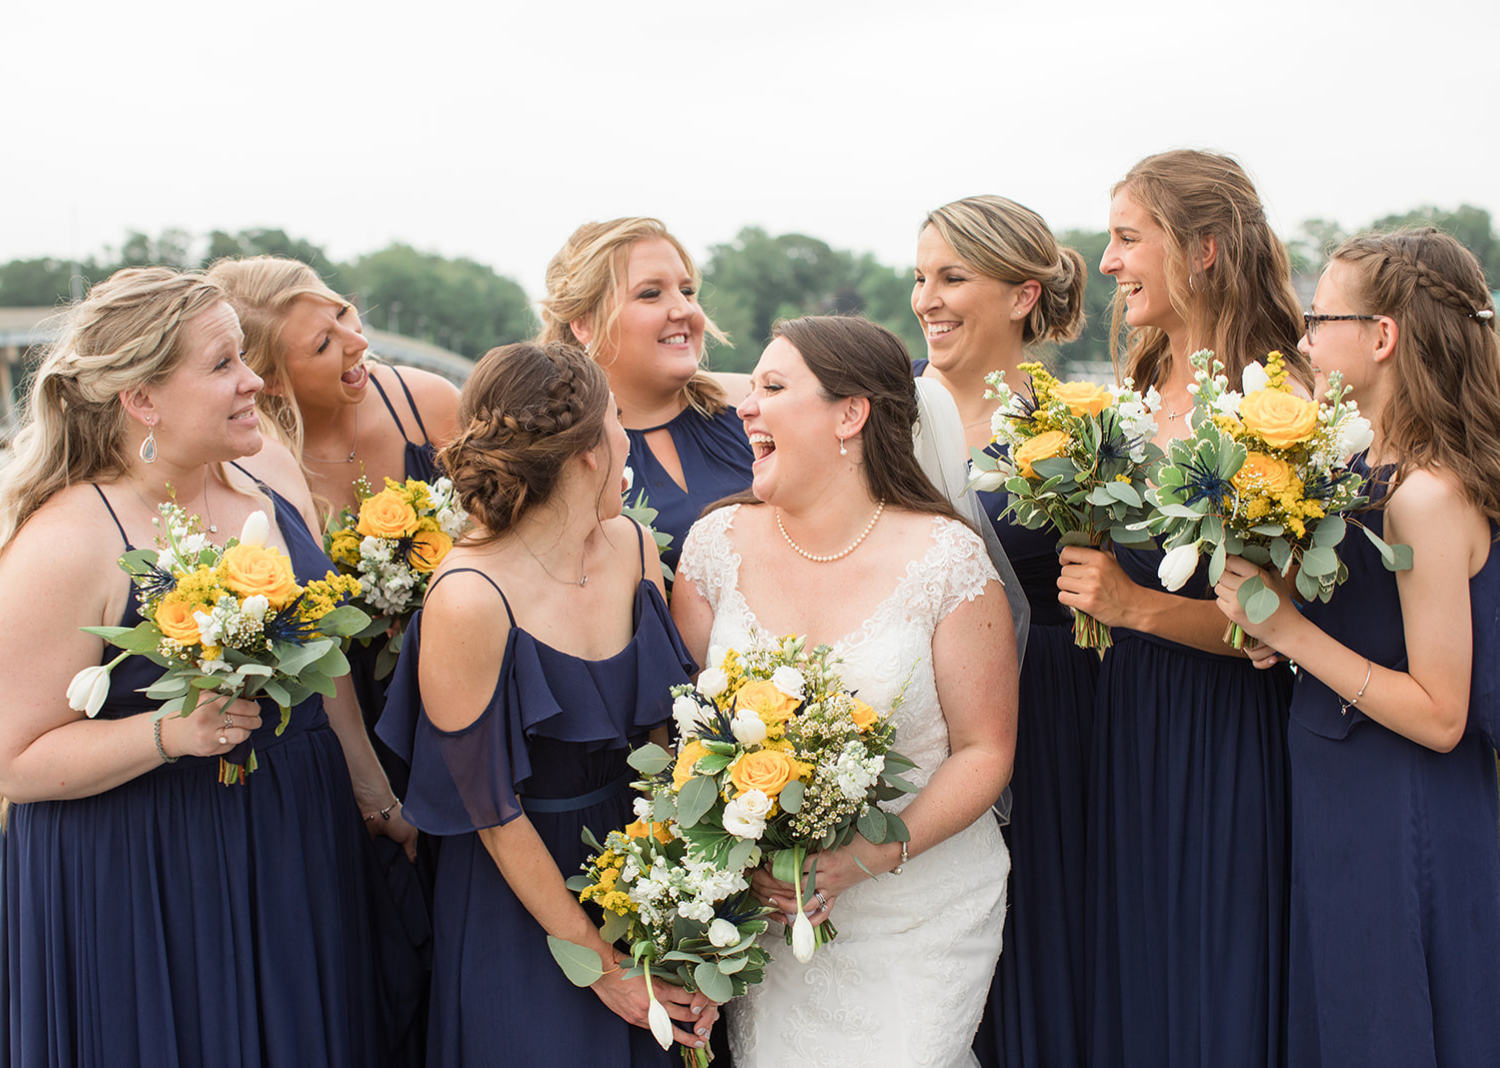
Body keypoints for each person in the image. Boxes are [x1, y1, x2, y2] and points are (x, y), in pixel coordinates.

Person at [0, 267, 412, 1066]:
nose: (254, 380)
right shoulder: (69, 540)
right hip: (140, 871)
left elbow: (322, 668)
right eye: (223, 365)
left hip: (293, 835)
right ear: (142, 400)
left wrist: (374, 797)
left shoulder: (268, 475)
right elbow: (13, 760)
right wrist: (168, 734)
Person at [671, 315, 1019, 1066]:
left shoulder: (944, 560)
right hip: (772, 918)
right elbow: (683, 739)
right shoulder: (713, 549)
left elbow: (986, 751)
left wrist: (861, 859)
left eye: (772, 386)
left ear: (850, 414)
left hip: (918, 911)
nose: (746, 405)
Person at [375, 342, 718, 1066]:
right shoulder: (469, 596)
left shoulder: (630, 544)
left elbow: (663, 733)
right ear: (590, 450)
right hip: (521, 893)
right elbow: (494, 816)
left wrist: (688, 908)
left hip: (639, 864)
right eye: (618, 420)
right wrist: (602, 966)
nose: (631, 441)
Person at [1215, 228, 1500, 1068]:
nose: (1300, 340)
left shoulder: (1427, 495)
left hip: (1403, 805)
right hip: (1342, 789)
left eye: (1317, 317)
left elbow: (1443, 714)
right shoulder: (1367, 469)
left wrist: (1292, 633)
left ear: (1382, 337)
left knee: (1392, 1023)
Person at [1059, 150, 1313, 1068]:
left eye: (1130, 238)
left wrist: (1129, 607)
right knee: (1140, 950)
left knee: (1216, 947)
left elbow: (1275, 619)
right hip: (1127, 716)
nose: (1111, 260)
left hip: (1229, 721)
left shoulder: (1281, 397)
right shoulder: (1135, 384)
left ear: (1203, 249)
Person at [911, 195, 1093, 1068]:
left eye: (953, 277)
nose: (927, 299)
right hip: (909, 719)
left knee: (1037, 936)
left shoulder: (1077, 427)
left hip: (1048, 709)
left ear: (1024, 297)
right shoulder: (882, 412)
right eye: (919, 278)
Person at [539, 218, 753, 575]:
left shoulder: (753, 406)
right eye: (650, 293)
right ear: (584, 323)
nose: (684, 309)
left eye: (687, 291)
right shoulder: (553, 453)